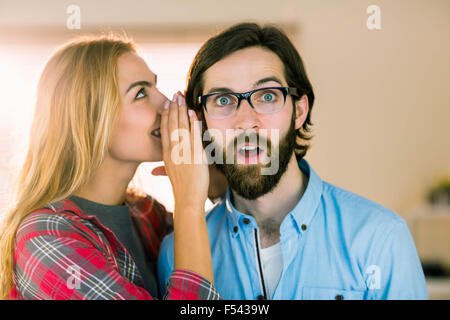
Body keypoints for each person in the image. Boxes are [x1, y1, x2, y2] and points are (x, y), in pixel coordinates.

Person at [157, 23, 428, 300]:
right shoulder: (175, 255)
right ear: (200, 122)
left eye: (267, 96)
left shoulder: (381, 238)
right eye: (223, 99)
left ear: (299, 111)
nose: (246, 121)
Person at [0, 34, 222, 300]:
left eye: (155, 86)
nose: (166, 103)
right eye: (140, 93)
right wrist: (188, 202)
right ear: (91, 120)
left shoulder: (147, 215)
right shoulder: (45, 237)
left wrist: (214, 179)